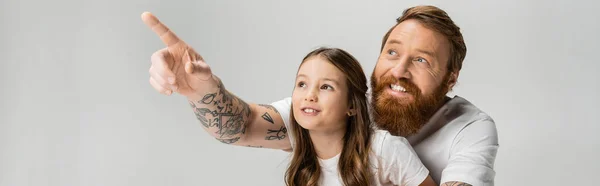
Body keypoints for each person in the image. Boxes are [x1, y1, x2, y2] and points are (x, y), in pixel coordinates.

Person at [142, 5, 498, 186]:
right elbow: (242, 125)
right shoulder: (332, 108)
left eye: (421, 60)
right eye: (392, 52)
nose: (399, 71)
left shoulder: (470, 128)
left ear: (451, 78)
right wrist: (201, 90)